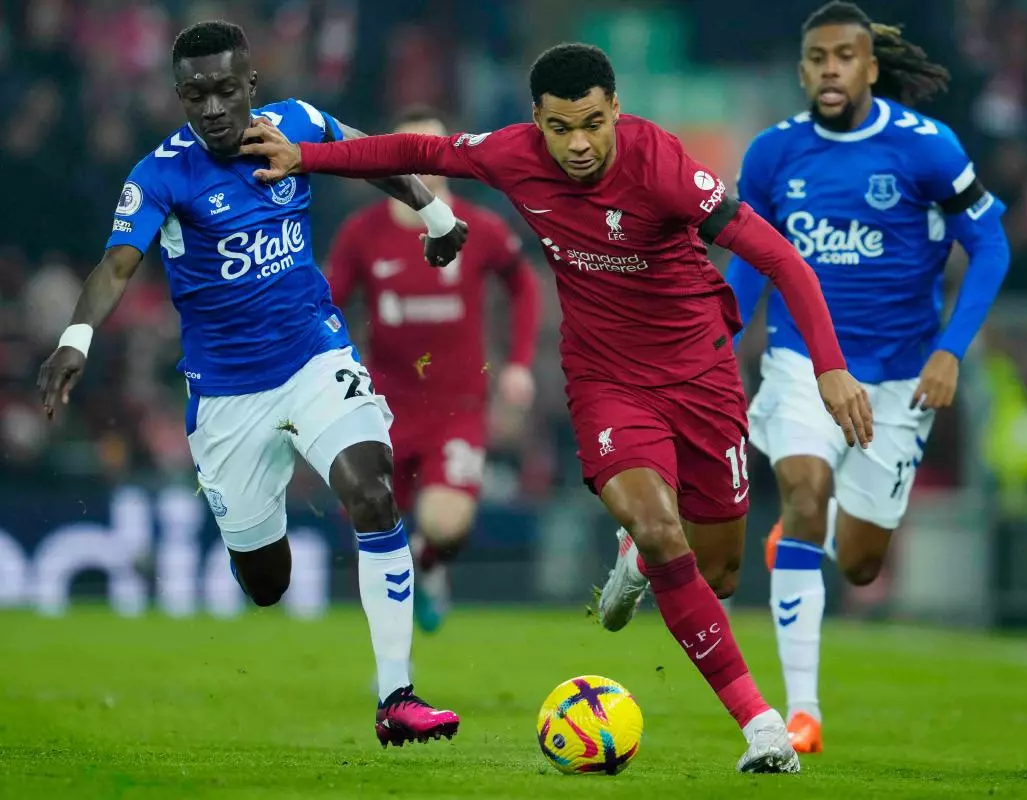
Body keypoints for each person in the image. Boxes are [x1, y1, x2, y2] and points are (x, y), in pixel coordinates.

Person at [240, 42, 874, 775]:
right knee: (662, 527)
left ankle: (639, 553)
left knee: (719, 572)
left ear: (616, 112)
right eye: (561, 127)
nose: (578, 144)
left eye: (594, 124)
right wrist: (306, 157)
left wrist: (831, 369)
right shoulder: (512, 155)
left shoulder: (663, 167)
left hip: (701, 375)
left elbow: (783, 260)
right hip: (606, 379)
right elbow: (418, 148)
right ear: (535, 120)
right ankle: (760, 725)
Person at [36, 20, 468, 749]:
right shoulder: (160, 175)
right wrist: (74, 339)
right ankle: (250, 540)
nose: (212, 108)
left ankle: (396, 692)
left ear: (251, 86)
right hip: (229, 396)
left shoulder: (295, 125)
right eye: (196, 95)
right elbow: (115, 266)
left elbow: (367, 156)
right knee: (266, 583)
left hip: (312, 356)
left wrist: (433, 209)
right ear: (178, 96)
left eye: (226, 91)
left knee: (370, 486)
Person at [726, 1, 1012, 754]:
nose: (829, 70)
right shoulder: (772, 155)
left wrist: (951, 349)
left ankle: (802, 535)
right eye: (817, 57)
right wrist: (718, 338)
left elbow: (991, 248)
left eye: (844, 57)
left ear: (870, 67)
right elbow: (750, 262)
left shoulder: (927, 149)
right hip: (804, 364)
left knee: (858, 563)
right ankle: (800, 714)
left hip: (900, 376)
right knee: (805, 486)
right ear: (801, 68)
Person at [326, 105, 541, 633]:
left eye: (433, 151)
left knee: (446, 524)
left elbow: (524, 285)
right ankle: (394, 656)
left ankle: (430, 564)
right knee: (375, 532)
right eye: (409, 151)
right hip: (384, 408)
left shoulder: (481, 227)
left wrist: (517, 363)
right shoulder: (362, 234)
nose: (423, 163)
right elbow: (327, 304)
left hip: (457, 406)